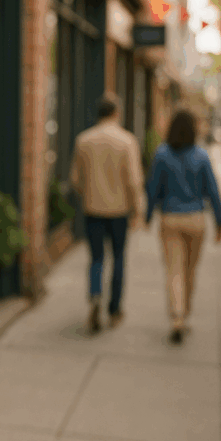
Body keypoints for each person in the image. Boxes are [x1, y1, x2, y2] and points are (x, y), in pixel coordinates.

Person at [145, 109, 221, 345]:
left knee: (174, 271)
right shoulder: (201, 156)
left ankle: (177, 316)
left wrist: (148, 215)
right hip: (196, 219)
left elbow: (152, 189)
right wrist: (220, 222)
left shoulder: (162, 154)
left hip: (170, 219)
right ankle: (185, 314)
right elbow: (213, 191)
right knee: (190, 271)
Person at [69, 93, 144, 334]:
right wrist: (138, 210)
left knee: (96, 258)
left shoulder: (84, 140)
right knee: (119, 258)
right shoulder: (127, 141)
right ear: (116, 113)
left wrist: (88, 193)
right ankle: (114, 310)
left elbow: (75, 179)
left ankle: (94, 296)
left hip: (93, 210)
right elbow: (134, 180)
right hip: (119, 211)